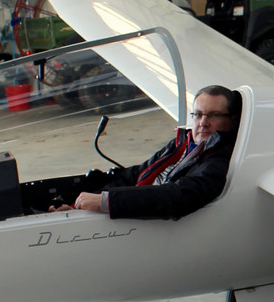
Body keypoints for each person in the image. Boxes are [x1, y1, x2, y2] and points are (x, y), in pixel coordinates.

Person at [56, 85, 241, 220]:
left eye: (214, 115)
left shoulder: (222, 158)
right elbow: (137, 174)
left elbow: (177, 197)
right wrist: (80, 203)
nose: (203, 123)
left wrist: (107, 202)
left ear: (232, 121)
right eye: (198, 114)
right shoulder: (182, 144)